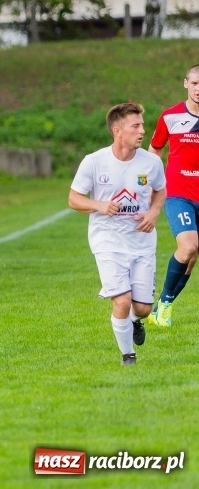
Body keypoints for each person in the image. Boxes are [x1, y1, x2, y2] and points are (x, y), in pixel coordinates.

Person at [69, 102, 166, 366]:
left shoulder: (152, 162)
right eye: (136, 126)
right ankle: (128, 356)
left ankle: (136, 322)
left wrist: (154, 212)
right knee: (121, 300)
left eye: (142, 125)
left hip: (142, 241)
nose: (142, 131)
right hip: (107, 240)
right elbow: (74, 199)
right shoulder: (94, 162)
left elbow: (160, 190)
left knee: (143, 308)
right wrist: (99, 205)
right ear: (117, 130)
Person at [147, 64, 199, 327]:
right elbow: (154, 150)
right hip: (178, 193)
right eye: (195, 84)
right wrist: (150, 185)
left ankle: (163, 306)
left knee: (191, 259)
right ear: (185, 84)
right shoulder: (170, 117)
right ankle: (163, 307)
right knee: (187, 246)